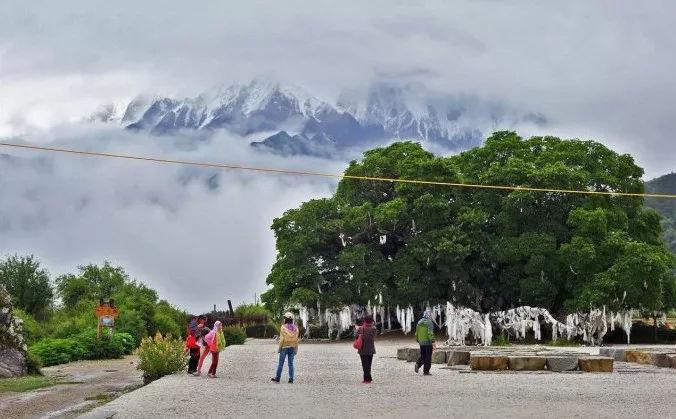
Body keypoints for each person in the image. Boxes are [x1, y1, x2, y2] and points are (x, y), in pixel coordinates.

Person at [271, 312, 299, 383]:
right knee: (291, 364)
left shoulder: (283, 327)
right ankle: (291, 379)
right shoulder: (296, 328)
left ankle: (277, 378)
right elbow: (296, 340)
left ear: (285, 319)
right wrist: (296, 349)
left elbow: (282, 339)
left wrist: (279, 348)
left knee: (281, 363)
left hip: (284, 347)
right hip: (292, 347)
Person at [414, 308, 436, 376]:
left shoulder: (419, 322)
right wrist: (433, 341)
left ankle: (418, 364)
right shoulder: (429, 322)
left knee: (423, 355)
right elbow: (430, 333)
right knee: (428, 357)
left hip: (421, 342)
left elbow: (416, 332)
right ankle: (426, 371)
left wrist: (417, 339)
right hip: (428, 342)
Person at [356, 314, 377, 383]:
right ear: (371, 321)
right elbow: (374, 336)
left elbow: (356, 336)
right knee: (369, 364)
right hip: (371, 348)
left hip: (362, 349)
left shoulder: (361, 328)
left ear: (364, 321)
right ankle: (368, 378)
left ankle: (367, 379)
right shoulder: (374, 329)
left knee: (365, 364)